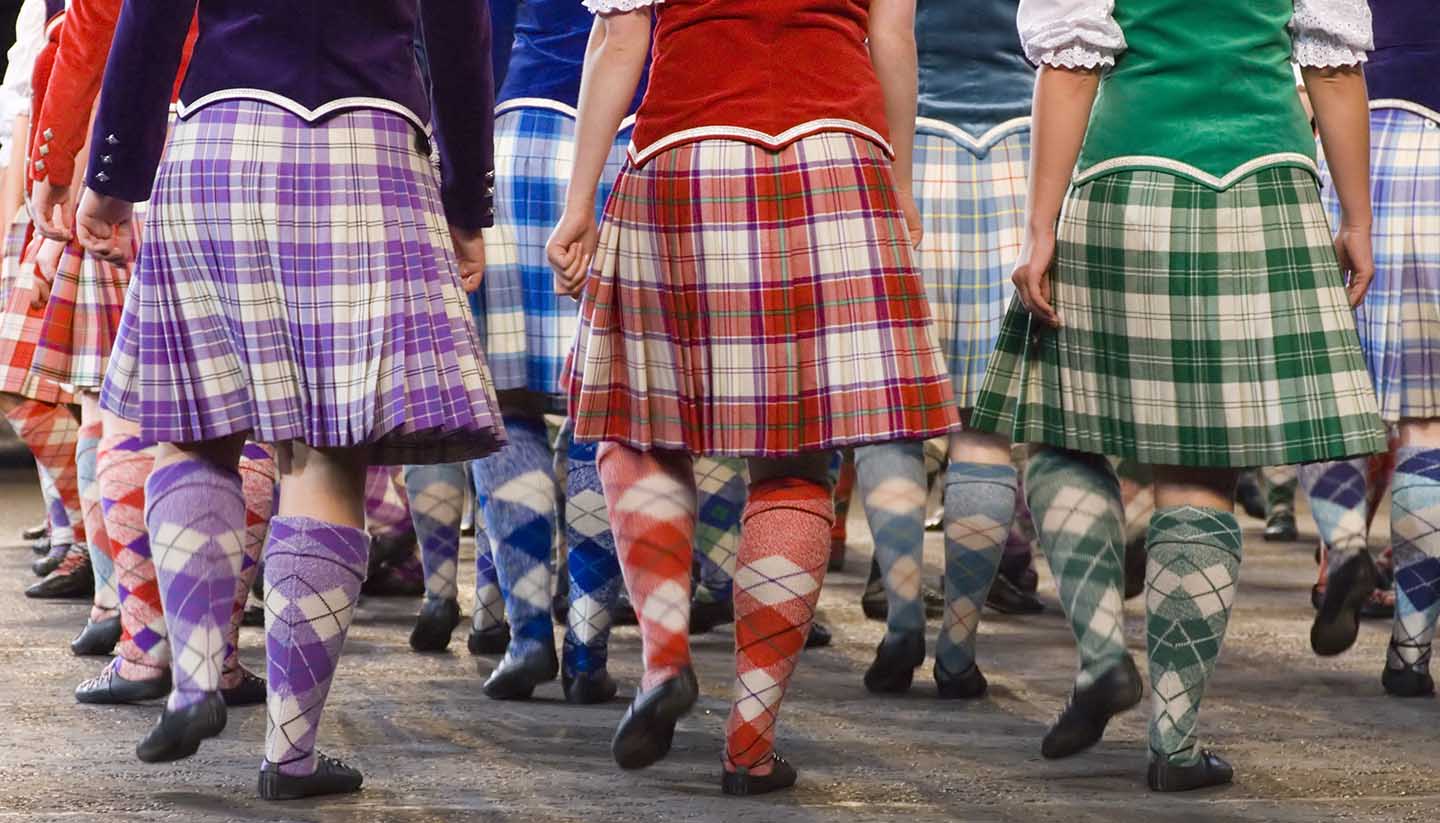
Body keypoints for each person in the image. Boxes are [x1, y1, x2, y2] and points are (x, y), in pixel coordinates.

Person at [73, 0, 502, 800]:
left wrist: (114, 172)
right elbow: (459, 27)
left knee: (193, 428)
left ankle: (196, 679)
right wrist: (467, 199)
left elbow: (152, 15)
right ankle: (291, 755)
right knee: (324, 450)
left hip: (218, 135)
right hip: (368, 144)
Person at [971, 0, 1384, 792]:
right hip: (1268, 182)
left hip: (1128, 170)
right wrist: (1357, 217)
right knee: (1205, 472)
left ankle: (1100, 655)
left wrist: (1041, 223)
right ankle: (1176, 739)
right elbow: (1334, 68)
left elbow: (1070, 62)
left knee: (1062, 435)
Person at [549, 0, 955, 795]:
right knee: (799, 456)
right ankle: (751, 738)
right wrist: (898, 178)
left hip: (685, 143)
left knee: (636, 429)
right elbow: (894, 35)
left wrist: (579, 204)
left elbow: (622, 32)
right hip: (836, 151)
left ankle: (664, 656)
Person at [853, 0, 1034, 699]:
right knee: (985, 428)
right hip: (1023, 143)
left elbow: (882, 28)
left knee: (892, 413)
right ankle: (959, 646)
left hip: (911, 141)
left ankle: (902, 616)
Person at [1305, 0, 1440, 696]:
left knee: (1321, 390)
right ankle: (1412, 652)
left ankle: (1348, 544)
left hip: (1361, 133)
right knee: (1428, 423)